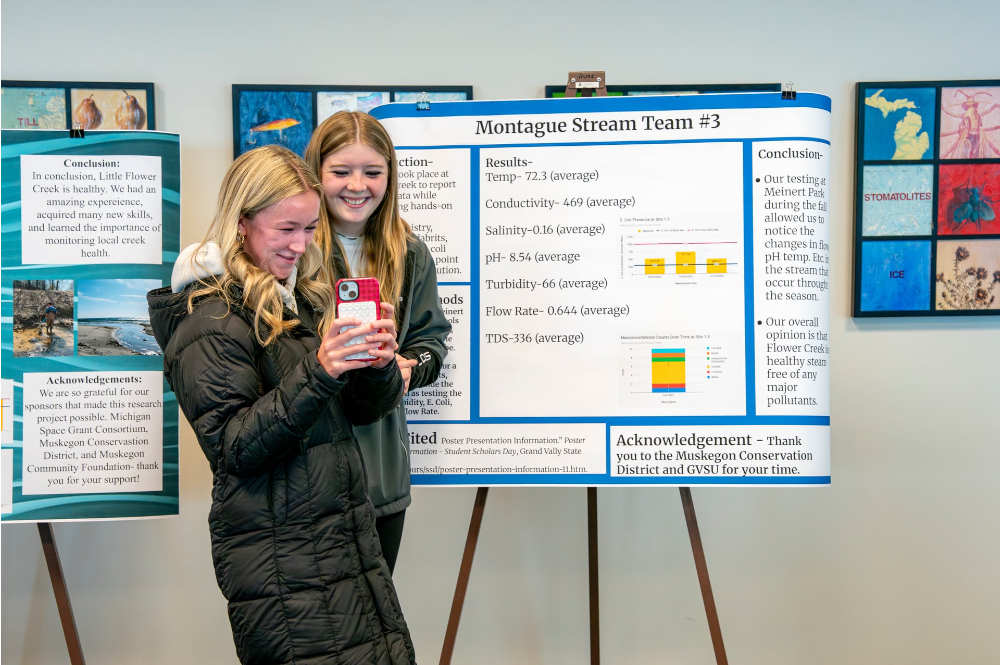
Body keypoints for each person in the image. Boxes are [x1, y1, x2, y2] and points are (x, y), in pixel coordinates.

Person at [147, 145, 416, 665]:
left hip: (338, 542)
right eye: (286, 228)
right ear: (241, 223)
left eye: (311, 228)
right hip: (283, 562)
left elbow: (361, 412)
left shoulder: (300, 298)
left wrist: (377, 362)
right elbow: (234, 447)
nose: (301, 244)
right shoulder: (209, 319)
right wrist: (322, 371)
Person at [305, 112, 451, 573]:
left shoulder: (409, 253)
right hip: (306, 470)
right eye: (340, 171)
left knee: (377, 608)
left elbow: (431, 342)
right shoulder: (293, 247)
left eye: (372, 172)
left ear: (390, 177)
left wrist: (407, 367)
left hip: (380, 474)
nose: (357, 185)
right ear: (315, 173)